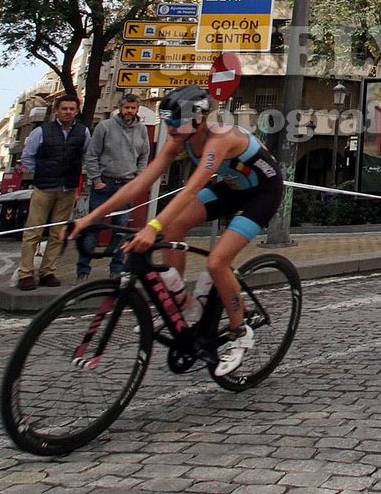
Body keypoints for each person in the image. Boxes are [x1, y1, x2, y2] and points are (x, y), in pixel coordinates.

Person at [66, 85, 283, 377]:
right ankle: (180, 301)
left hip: (263, 193)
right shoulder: (179, 139)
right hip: (233, 188)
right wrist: (90, 217)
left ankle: (240, 331)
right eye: (168, 122)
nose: (171, 130)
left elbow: (191, 188)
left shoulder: (220, 139)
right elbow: (140, 182)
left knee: (217, 262)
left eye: (176, 123)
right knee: (173, 226)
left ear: (200, 118)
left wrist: (151, 227)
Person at [16, 95, 90, 290]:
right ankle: (25, 273)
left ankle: (48, 271)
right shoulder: (41, 131)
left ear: (76, 111)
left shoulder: (83, 132)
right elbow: (28, 157)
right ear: (56, 111)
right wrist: (41, 173)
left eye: (71, 109)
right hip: (44, 188)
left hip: (68, 188)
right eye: (64, 109)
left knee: (58, 233)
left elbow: (86, 155)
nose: (68, 112)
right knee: (33, 232)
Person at [75, 94, 150, 281]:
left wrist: (138, 177)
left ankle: (116, 269)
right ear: (120, 108)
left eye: (133, 108)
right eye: (126, 108)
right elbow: (92, 155)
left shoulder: (141, 130)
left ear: (137, 110)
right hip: (104, 184)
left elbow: (144, 155)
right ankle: (83, 270)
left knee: (121, 229)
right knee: (93, 228)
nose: (129, 112)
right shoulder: (104, 127)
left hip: (126, 186)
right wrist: (96, 179)